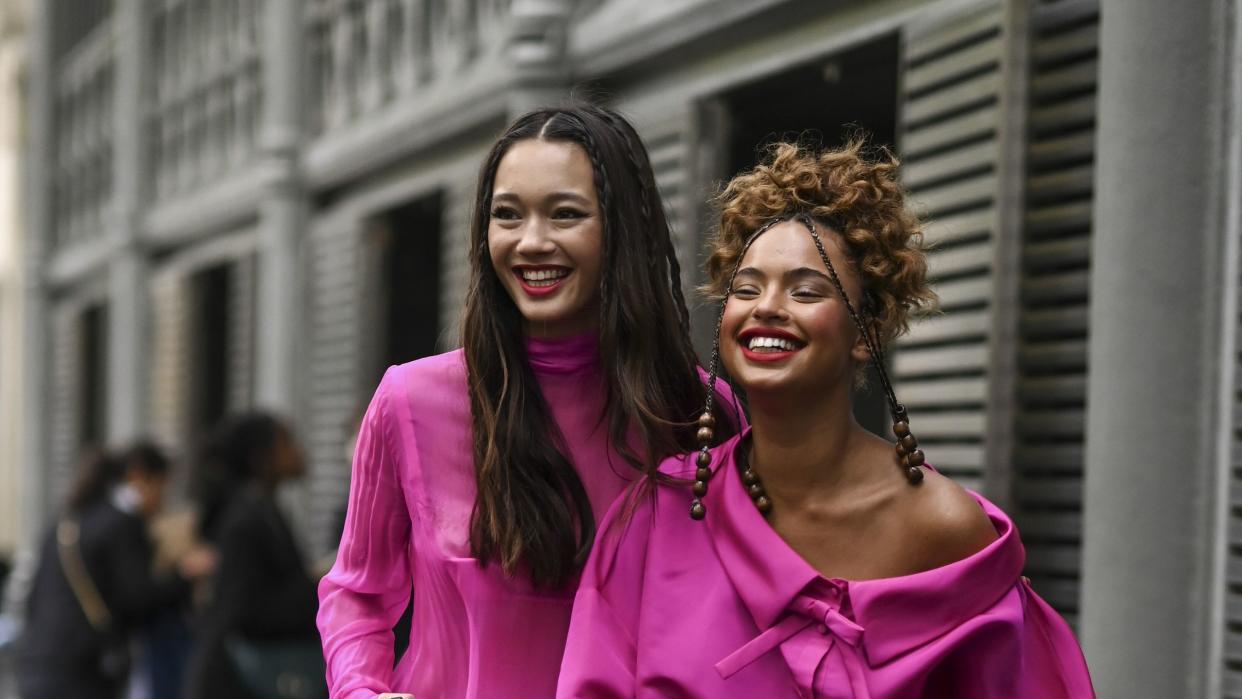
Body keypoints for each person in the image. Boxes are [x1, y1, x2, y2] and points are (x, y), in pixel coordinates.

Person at [557, 141, 1095, 698]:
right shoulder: (655, 513)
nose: (766, 306)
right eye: (746, 289)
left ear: (866, 332)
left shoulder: (945, 530)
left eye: (806, 290)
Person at [317, 103, 742, 699]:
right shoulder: (408, 401)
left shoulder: (698, 415)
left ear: (623, 231)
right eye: (507, 216)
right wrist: (361, 689)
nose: (532, 243)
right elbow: (356, 592)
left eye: (566, 214)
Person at [18, 442, 206, 699]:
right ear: (140, 477)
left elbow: (32, 599)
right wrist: (186, 575)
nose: (162, 503)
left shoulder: (65, 524)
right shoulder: (121, 526)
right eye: (162, 489)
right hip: (84, 668)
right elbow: (138, 597)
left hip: (37, 661)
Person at [184, 412, 322, 699]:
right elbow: (244, 609)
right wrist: (316, 590)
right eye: (286, 441)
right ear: (261, 458)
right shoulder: (245, 519)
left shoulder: (261, 509)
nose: (298, 450)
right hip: (237, 681)